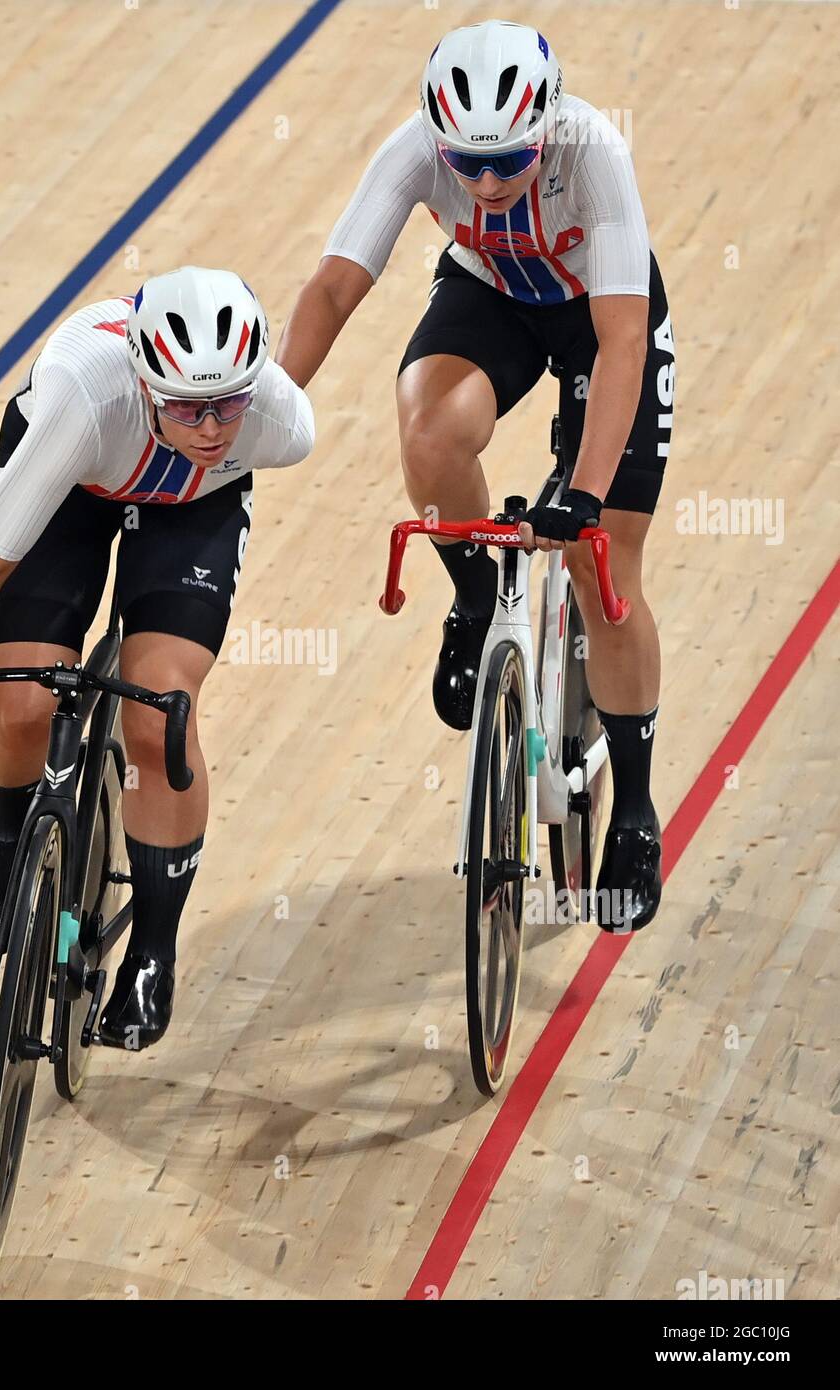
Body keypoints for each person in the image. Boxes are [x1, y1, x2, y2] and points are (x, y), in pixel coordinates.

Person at [275, 20, 672, 931]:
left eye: (508, 162)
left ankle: (639, 813)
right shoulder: (416, 152)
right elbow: (335, 289)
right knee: (427, 433)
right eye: (468, 164)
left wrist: (580, 497)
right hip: (491, 294)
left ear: (547, 126)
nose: (487, 184)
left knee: (603, 566)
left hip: (598, 314)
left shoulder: (593, 152)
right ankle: (473, 594)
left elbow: (620, 344)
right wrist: (271, 410)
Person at [0, 266, 315, 1045]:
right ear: (147, 381)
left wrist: (208, 441)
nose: (213, 426)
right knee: (21, 706)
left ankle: (154, 946)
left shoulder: (279, 422)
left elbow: (229, 438)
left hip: (194, 506)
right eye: (189, 407)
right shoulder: (84, 400)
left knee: (159, 719)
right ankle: (6, 823)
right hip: (76, 482)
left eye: (229, 401)